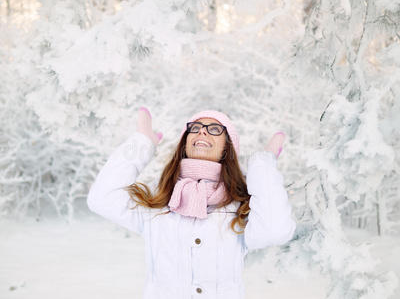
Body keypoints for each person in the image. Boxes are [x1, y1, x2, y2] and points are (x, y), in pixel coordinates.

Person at [87, 107, 296, 299]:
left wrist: (263, 165)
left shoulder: (239, 204)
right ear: (185, 143)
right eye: (195, 128)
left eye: (214, 129)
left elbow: (274, 230)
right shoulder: (158, 197)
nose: (202, 132)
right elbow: (102, 198)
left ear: (226, 148)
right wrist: (141, 143)